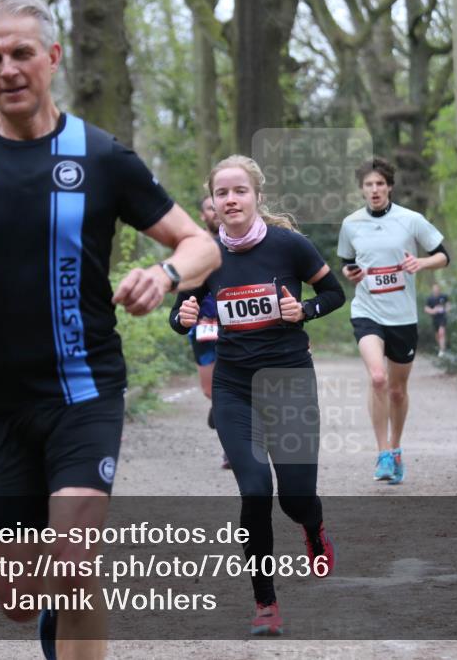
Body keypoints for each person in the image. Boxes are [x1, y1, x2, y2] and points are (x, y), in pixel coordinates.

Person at [0, 0, 220, 658]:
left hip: (84, 391)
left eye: (21, 53)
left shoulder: (100, 157)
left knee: (74, 562)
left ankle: (71, 596)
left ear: (51, 56)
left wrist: (163, 275)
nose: (8, 69)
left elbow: (200, 244)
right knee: (20, 597)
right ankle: (52, 604)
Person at [169, 155, 344, 636]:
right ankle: (265, 603)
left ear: (257, 197)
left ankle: (312, 527)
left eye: (239, 191)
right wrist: (182, 317)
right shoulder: (204, 255)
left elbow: (333, 294)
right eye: (222, 193)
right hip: (234, 388)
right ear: (213, 202)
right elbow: (179, 312)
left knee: (295, 499)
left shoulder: (290, 246)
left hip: (289, 382)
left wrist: (301, 311)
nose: (231, 200)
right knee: (254, 491)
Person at [337, 157, 449, 485]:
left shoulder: (410, 220)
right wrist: (350, 273)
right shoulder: (351, 224)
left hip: (402, 316)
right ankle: (382, 452)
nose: (374, 190)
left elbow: (444, 255)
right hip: (367, 311)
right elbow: (346, 262)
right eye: (369, 185)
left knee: (398, 390)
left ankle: (396, 448)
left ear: (389, 187)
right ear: (362, 189)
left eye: (380, 184)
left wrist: (422, 263)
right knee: (377, 378)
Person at [188, 195, 230, 468]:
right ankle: (221, 405)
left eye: (218, 208)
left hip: (233, 322)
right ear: (203, 215)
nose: (215, 212)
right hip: (203, 323)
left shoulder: (238, 242)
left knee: (235, 383)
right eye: (209, 209)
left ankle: (232, 446)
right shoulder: (194, 246)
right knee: (209, 389)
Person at [424, 283, 450, 356]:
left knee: (441, 332)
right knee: (437, 335)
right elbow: (426, 309)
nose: (436, 290)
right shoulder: (430, 299)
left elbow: (448, 305)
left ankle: (442, 350)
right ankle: (441, 348)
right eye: (434, 289)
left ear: (439, 289)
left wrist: (446, 310)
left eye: (437, 288)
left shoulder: (444, 296)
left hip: (442, 318)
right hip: (435, 319)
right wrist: (433, 311)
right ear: (432, 290)